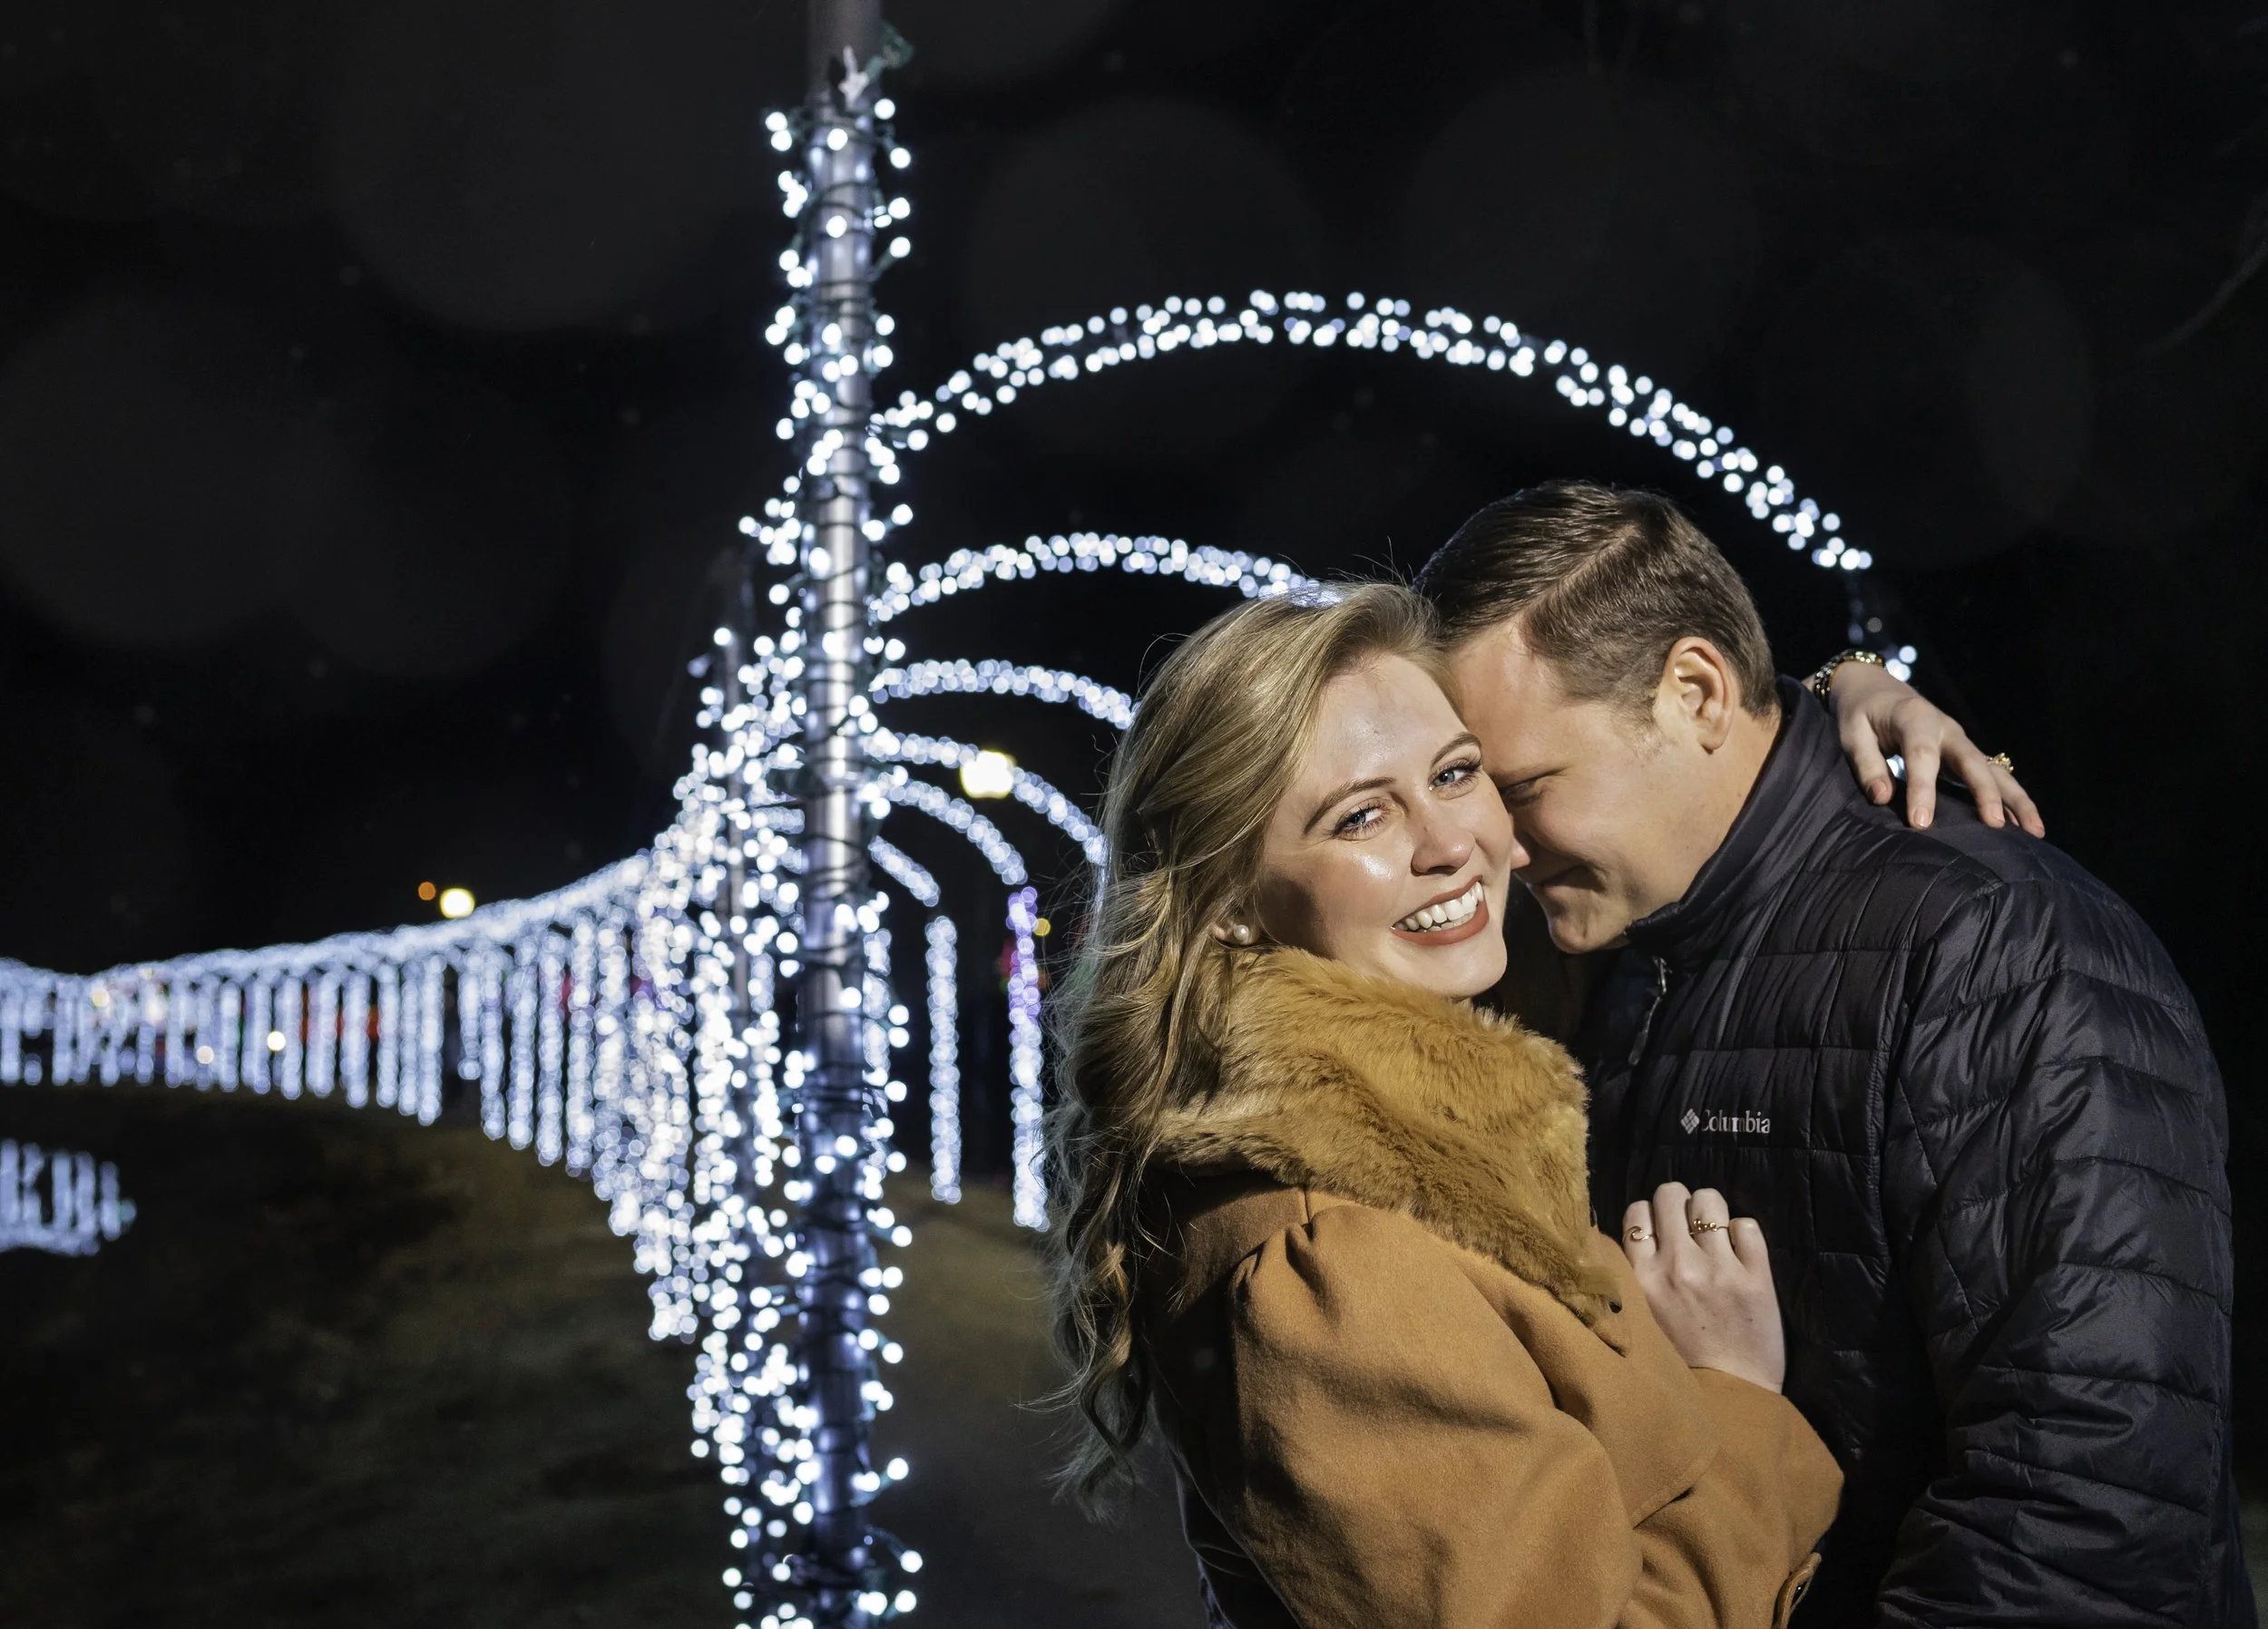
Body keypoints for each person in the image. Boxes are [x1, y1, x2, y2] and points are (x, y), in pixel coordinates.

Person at [1413, 481, 2251, 1628]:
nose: (1492, 849)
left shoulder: (1994, 944)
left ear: (1697, 692)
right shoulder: (1613, 948)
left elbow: (2088, 1508)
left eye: (1522, 789)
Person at [1048, 583, 1845, 1629]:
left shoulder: (1448, 1118)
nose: (1449, 840)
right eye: (1361, 814)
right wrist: (1736, 1399)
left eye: (1457, 772)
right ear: (1233, 900)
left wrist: (1839, 703)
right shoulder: (1336, 1261)